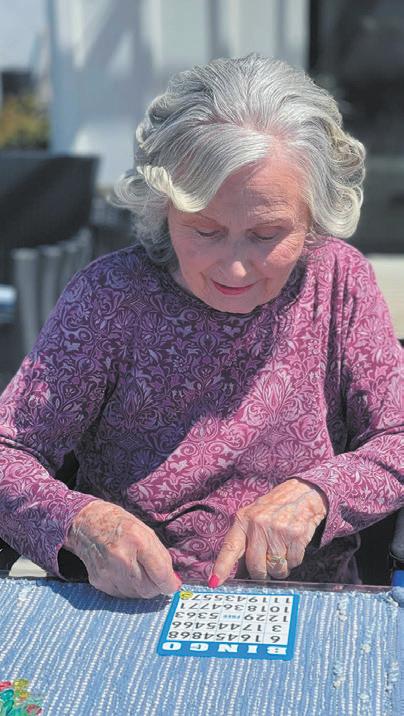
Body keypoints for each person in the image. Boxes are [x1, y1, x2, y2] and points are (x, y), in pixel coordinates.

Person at [0, 54, 402, 599]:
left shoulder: (337, 281)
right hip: (137, 601)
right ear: (162, 207)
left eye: (266, 234)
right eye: (205, 231)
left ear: (314, 219)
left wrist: (316, 495)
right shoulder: (111, 297)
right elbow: (9, 451)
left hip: (307, 598)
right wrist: (83, 523)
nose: (234, 268)